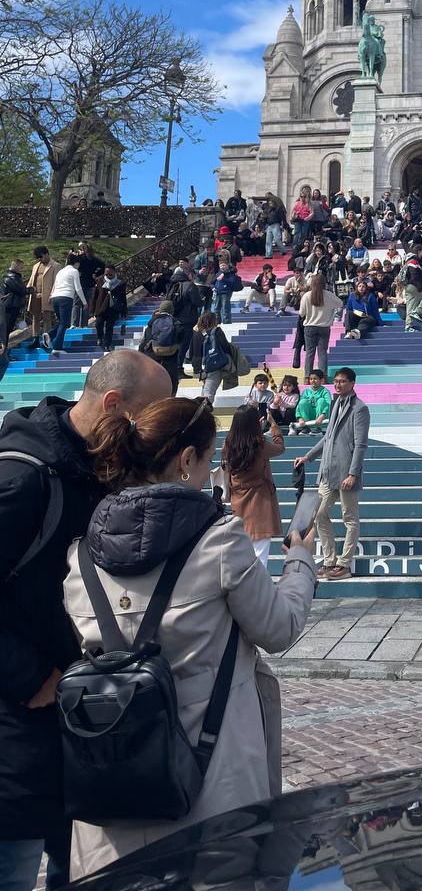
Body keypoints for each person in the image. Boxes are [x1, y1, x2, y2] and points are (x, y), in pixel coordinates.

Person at [63, 396, 315, 877]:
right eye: (208, 457)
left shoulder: (82, 555)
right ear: (185, 460)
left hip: (111, 787)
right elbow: (279, 628)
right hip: (211, 780)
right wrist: (300, 562)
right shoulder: (219, 542)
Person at [0, 350, 172, 890]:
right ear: (114, 404)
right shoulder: (21, 479)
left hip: (84, 727)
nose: (149, 433)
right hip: (19, 726)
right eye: (148, 416)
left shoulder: (103, 469)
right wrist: (31, 679)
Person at [293, 367, 370, 580]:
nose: (338, 385)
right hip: (328, 471)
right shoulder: (336, 403)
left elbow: (360, 445)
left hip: (347, 473)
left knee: (350, 518)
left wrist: (353, 474)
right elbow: (327, 438)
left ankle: (344, 564)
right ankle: (329, 561)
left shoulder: (359, 408)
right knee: (318, 514)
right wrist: (308, 456)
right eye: (336, 381)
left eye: (343, 381)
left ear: (352, 383)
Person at [221, 403, 286, 567]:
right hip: (260, 501)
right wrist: (273, 425)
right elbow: (280, 448)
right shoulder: (259, 445)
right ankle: (258, 590)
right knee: (260, 554)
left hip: (237, 500)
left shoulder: (228, 445)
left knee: (241, 552)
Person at [139, 299, 186, 393]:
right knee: (171, 382)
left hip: (152, 359)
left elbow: (143, 343)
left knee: (152, 384)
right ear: (172, 311)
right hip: (170, 359)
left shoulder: (151, 324)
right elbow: (182, 339)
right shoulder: (175, 323)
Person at [49, 252, 87, 356]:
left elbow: (55, 285)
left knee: (62, 321)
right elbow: (78, 288)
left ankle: (50, 335)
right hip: (66, 298)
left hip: (55, 297)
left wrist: (51, 295)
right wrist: (84, 302)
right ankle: (57, 346)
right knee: (65, 323)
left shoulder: (60, 272)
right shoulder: (74, 271)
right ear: (76, 263)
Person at [299, 272, 338, 377]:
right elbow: (340, 303)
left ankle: (307, 377)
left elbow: (301, 313)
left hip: (310, 326)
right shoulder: (329, 295)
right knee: (322, 353)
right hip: (324, 327)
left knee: (310, 353)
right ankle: (323, 376)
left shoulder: (307, 296)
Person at [189, 311, 231, 401]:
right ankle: (203, 412)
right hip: (213, 364)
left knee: (206, 388)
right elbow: (226, 347)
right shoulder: (217, 331)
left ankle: (201, 410)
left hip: (199, 365)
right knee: (209, 394)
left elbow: (191, 350)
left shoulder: (196, 332)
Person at [25, 247, 61, 351]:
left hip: (47, 295)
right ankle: (35, 338)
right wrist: (28, 290)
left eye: (41, 257)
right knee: (35, 317)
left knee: (47, 317)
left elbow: (56, 282)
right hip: (35, 295)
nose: (40, 259)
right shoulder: (36, 266)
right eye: (38, 258)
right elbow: (32, 279)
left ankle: (46, 339)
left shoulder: (55, 266)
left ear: (46, 254)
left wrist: (52, 295)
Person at [291, 370, 331, 436]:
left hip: (321, 418)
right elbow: (299, 406)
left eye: (315, 379)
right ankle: (305, 428)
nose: (312, 381)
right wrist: (300, 418)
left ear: (321, 380)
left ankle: (317, 428)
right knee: (303, 402)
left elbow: (329, 405)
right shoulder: (306, 391)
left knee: (321, 400)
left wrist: (322, 415)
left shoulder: (325, 391)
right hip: (308, 418)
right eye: (311, 379)